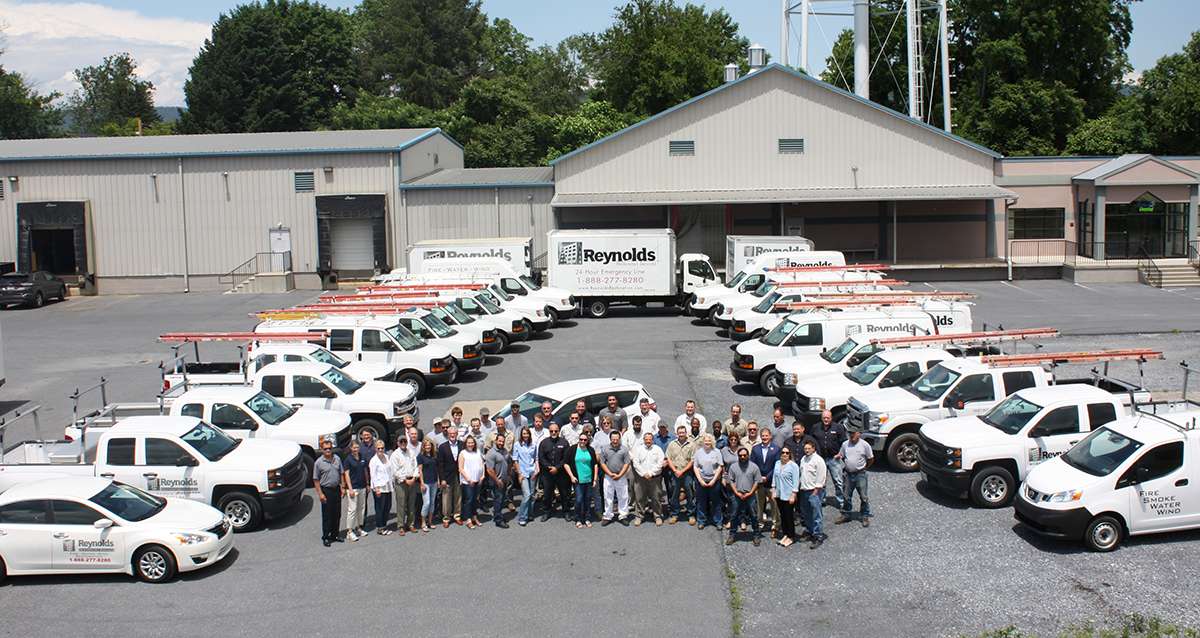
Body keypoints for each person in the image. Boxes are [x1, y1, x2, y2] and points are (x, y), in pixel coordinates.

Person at [836, 428, 874, 527]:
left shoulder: (865, 445)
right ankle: (846, 514)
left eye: (854, 433)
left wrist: (864, 467)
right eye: (850, 433)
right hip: (848, 474)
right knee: (846, 496)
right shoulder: (845, 444)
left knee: (863, 497)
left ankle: (864, 515)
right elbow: (842, 455)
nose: (851, 436)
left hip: (860, 474)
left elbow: (870, 458)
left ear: (859, 434)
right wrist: (847, 464)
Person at [726, 446, 763, 546]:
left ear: (748, 456)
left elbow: (757, 481)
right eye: (740, 455)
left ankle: (756, 535)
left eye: (744, 455)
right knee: (734, 515)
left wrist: (751, 492)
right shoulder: (733, 467)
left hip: (750, 495)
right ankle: (732, 534)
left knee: (754, 516)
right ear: (738, 456)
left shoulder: (754, 467)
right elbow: (731, 481)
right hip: (737, 494)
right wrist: (736, 492)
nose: (742, 457)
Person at [564, 432, 600, 528]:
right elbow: (566, 464)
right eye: (581, 439)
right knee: (579, 499)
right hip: (577, 480)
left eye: (585, 440)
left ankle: (587, 518)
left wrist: (595, 479)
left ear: (587, 441)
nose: (583, 441)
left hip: (589, 479)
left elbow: (595, 464)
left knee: (587, 499)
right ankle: (578, 519)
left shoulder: (590, 450)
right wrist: (571, 476)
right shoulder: (572, 449)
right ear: (578, 439)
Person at [814, 409, 848, 511]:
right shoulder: (815, 427)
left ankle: (841, 501)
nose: (826, 420)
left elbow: (844, 442)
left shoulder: (838, 428)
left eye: (828, 418)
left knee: (838, 481)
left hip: (834, 458)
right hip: (820, 459)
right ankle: (821, 500)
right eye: (824, 418)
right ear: (821, 418)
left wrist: (840, 453)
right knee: (821, 481)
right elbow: (811, 441)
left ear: (831, 418)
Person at [537, 423, 572, 521]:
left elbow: (566, 458)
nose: (554, 433)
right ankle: (547, 511)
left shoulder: (564, 442)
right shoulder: (543, 443)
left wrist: (557, 468)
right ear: (549, 431)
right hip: (547, 473)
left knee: (564, 494)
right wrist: (549, 467)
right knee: (547, 494)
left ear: (559, 431)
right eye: (551, 431)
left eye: (556, 431)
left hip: (561, 473)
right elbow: (541, 457)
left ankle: (566, 512)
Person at [313, 439, 344, 546]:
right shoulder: (318, 463)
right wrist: (320, 494)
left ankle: (335, 534)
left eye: (330, 448)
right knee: (327, 515)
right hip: (326, 490)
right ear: (322, 449)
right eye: (325, 449)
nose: (328, 450)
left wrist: (343, 487)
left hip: (336, 489)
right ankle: (326, 536)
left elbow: (341, 473)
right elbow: (316, 480)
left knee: (337, 513)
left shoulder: (337, 459)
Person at [631, 431, 666, 526]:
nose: (648, 441)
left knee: (656, 498)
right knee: (640, 498)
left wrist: (651, 473)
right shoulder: (638, 449)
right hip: (641, 478)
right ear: (643, 440)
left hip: (654, 478)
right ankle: (639, 516)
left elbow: (660, 463)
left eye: (650, 439)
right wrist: (643, 473)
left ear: (652, 440)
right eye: (646, 439)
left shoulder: (658, 449)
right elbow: (636, 463)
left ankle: (657, 516)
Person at [798, 441, 828, 549]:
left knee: (816, 514)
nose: (806, 450)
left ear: (813, 448)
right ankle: (810, 531)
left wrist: (816, 491)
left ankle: (818, 535)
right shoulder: (803, 459)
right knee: (807, 513)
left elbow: (821, 476)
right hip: (804, 490)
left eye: (809, 448)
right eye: (805, 449)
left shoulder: (818, 460)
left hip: (814, 491)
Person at [752, 427, 781, 535]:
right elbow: (752, 464)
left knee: (774, 504)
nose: (764, 437)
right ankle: (760, 523)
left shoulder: (776, 449)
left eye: (766, 435)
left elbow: (777, 466)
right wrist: (759, 477)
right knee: (759, 504)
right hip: (759, 482)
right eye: (763, 436)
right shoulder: (755, 449)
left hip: (771, 482)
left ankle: (776, 524)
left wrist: (767, 477)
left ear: (770, 436)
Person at [598, 430, 632, 525]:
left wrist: (620, 475)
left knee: (623, 496)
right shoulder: (605, 449)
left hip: (621, 476)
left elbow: (626, 463)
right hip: (608, 477)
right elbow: (602, 462)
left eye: (617, 439)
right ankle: (608, 516)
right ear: (610, 439)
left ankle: (623, 515)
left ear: (620, 439)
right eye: (613, 439)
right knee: (608, 497)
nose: (615, 441)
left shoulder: (624, 449)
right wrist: (609, 473)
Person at [665, 425, 696, 525]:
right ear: (676, 434)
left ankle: (691, 514)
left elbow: (692, 460)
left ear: (686, 433)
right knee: (674, 493)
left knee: (690, 493)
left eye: (683, 432)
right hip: (675, 473)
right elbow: (668, 458)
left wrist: (682, 471)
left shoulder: (691, 445)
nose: (681, 434)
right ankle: (675, 514)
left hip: (687, 473)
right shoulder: (672, 444)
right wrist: (675, 470)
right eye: (680, 433)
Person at [390, 433, 419, 536]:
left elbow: (415, 466)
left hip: (412, 480)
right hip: (401, 483)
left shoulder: (411, 452)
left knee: (411, 504)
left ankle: (410, 524)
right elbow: (395, 471)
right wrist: (405, 480)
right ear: (398, 443)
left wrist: (415, 477)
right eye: (401, 442)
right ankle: (401, 526)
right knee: (401, 504)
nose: (403, 443)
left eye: (405, 441)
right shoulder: (395, 455)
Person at [692, 434, 724, 530]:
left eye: (709, 441)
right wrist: (700, 480)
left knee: (716, 502)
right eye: (706, 441)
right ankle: (701, 521)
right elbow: (695, 466)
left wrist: (714, 480)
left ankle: (718, 521)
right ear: (702, 442)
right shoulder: (698, 452)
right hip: (701, 481)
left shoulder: (717, 452)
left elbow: (720, 466)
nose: (707, 442)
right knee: (701, 502)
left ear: (712, 442)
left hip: (714, 481)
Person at [771, 447, 800, 547]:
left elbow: (796, 482)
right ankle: (785, 534)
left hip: (788, 495)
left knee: (789, 516)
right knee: (782, 516)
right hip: (779, 494)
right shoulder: (777, 463)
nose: (785, 454)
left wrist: (794, 494)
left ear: (790, 454)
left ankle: (791, 536)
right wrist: (773, 489)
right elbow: (774, 477)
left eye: (787, 453)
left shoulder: (793, 466)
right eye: (783, 452)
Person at [483, 431, 513, 528]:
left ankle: (498, 513)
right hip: (496, 481)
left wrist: (508, 475)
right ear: (495, 441)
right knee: (498, 499)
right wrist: (497, 480)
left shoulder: (504, 451)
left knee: (501, 499)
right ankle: (498, 520)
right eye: (499, 441)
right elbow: (489, 470)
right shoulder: (491, 453)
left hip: (504, 480)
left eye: (502, 441)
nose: (501, 443)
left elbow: (509, 462)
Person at [436, 425, 465, 527]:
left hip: (459, 475)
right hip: (447, 476)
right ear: (448, 435)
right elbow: (440, 464)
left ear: (457, 434)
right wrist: (442, 478)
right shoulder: (442, 447)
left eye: (454, 433)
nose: (452, 435)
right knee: (446, 498)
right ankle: (446, 518)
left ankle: (457, 516)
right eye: (450, 434)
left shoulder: (462, 445)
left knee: (458, 497)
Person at [342, 441, 370, 541]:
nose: (356, 449)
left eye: (357, 447)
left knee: (361, 508)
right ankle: (349, 531)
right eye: (354, 448)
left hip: (362, 486)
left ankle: (358, 527)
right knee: (352, 510)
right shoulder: (348, 460)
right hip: (353, 488)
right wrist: (349, 488)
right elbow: (346, 475)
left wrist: (367, 484)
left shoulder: (362, 457)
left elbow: (365, 471)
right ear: (351, 448)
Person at [513, 426, 539, 526]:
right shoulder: (517, 445)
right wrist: (519, 474)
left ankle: (530, 514)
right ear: (521, 435)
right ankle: (522, 517)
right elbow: (515, 460)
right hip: (523, 473)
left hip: (532, 471)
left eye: (527, 433)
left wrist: (537, 470)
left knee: (532, 495)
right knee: (527, 494)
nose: (525, 435)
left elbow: (536, 458)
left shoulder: (533, 444)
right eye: (524, 434)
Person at [458, 435, 485, 528]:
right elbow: (460, 468)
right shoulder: (463, 453)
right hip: (468, 482)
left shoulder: (477, 452)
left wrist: (483, 475)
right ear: (466, 443)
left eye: (472, 442)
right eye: (469, 443)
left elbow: (482, 464)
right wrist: (468, 479)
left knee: (475, 500)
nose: (470, 444)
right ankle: (468, 519)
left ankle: (474, 517)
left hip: (478, 480)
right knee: (468, 500)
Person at [369, 440, 394, 535]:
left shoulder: (387, 457)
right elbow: (373, 475)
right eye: (378, 448)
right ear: (375, 449)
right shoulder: (373, 460)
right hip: (379, 487)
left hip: (387, 486)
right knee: (380, 507)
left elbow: (390, 470)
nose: (380, 450)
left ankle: (384, 525)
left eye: (382, 448)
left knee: (387, 506)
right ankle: (380, 527)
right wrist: (377, 488)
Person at [720, 431, 743, 528]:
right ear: (728, 440)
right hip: (729, 479)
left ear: (738, 440)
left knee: (741, 500)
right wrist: (723, 478)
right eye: (731, 439)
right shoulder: (724, 450)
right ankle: (731, 520)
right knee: (730, 500)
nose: (733, 441)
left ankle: (742, 521)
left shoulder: (742, 449)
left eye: (735, 439)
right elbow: (722, 466)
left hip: (741, 479)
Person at [416, 439, 439, 532]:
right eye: (426, 446)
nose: (428, 447)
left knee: (433, 502)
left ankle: (430, 521)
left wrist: (438, 480)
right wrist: (421, 483)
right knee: (427, 503)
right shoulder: (420, 456)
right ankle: (423, 522)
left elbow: (436, 469)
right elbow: (420, 470)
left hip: (434, 481)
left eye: (429, 445)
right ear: (423, 447)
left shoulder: (434, 455)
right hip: (425, 482)